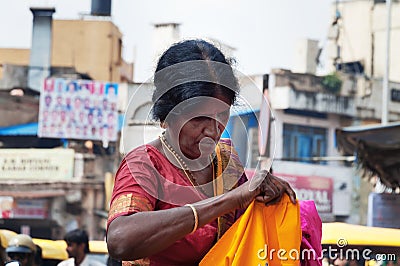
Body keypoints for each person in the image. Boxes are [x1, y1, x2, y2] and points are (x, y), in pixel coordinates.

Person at [106, 39, 296, 265]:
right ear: (167, 116)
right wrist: (231, 199)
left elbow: (245, 232)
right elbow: (119, 240)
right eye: (199, 118)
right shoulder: (143, 164)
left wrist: (267, 195)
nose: (213, 130)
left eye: (222, 115)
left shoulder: (226, 163)